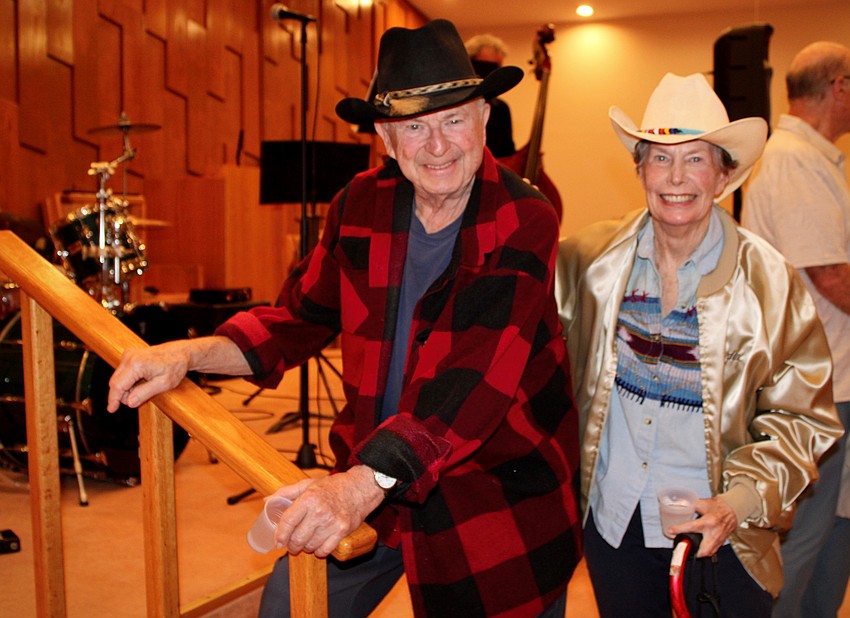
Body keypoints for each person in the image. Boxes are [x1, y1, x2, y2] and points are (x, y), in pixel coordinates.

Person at [108, 19, 581, 618]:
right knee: (289, 605)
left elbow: (469, 385)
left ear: (486, 117)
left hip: (489, 490)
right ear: (385, 136)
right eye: (414, 126)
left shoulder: (524, 216)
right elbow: (296, 317)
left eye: (454, 119)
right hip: (374, 470)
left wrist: (359, 485)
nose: (438, 145)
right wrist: (189, 353)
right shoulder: (361, 202)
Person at [554, 72, 844, 618]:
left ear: (723, 173)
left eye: (696, 158)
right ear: (638, 167)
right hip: (614, 529)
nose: (675, 177)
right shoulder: (587, 263)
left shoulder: (768, 282)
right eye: (660, 158)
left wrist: (736, 506)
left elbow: (804, 421)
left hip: (722, 538)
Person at [742, 41, 850, 618]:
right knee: (805, 539)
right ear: (839, 87)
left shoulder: (811, 159)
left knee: (835, 532)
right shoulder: (791, 160)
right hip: (820, 390)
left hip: (834, 381)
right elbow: (831, 276)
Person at [465, 33, 516, 158]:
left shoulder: (501, 109)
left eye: (497, 68)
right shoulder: (453, 105)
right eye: (487, 67)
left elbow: (507, 154)